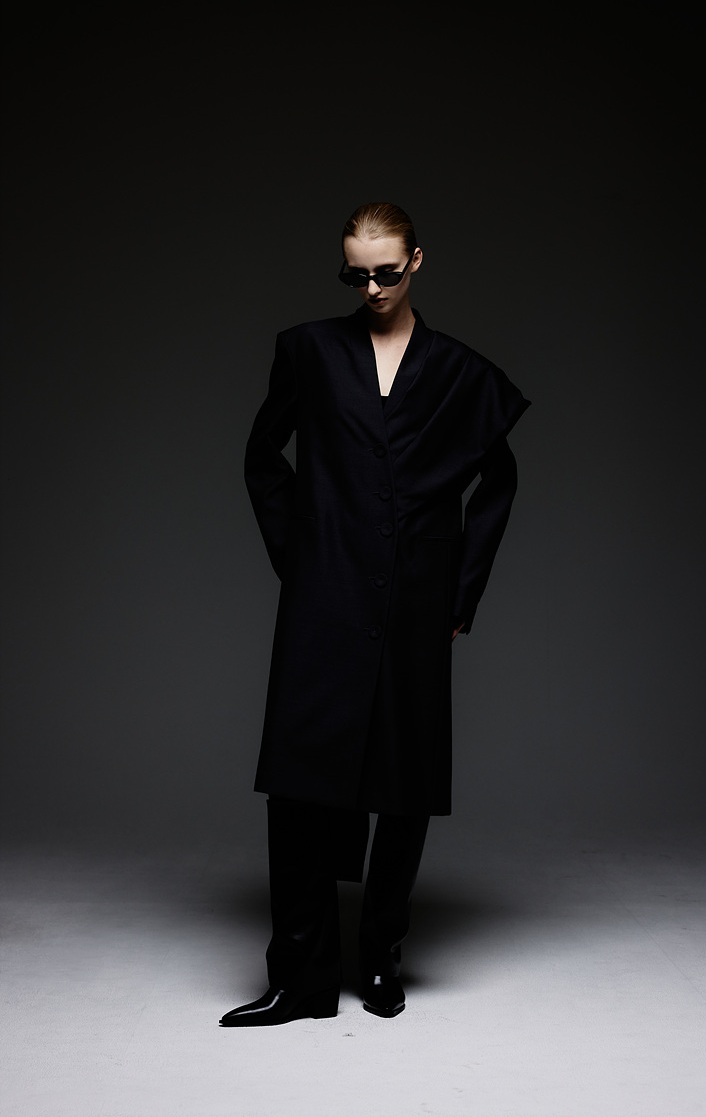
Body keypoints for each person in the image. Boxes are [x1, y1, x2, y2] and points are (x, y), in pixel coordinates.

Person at [220, 202, 530, 1027]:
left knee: (403, 783)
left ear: (417, 262)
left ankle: (383, 955)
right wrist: (301, 554)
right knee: (299, 782)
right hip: (325, 595)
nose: (371, 288)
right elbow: (262, 456)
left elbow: (499, 480)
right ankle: (300, 977)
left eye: (386, 272)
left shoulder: (459, 371)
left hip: (416, 602)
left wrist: (462, 591)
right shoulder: (309, 350)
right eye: (355, 274)